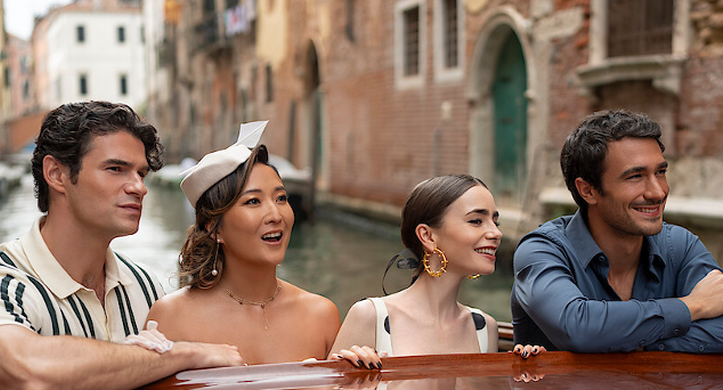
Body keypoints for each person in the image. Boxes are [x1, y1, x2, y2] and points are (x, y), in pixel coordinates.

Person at [0, 101, 244, 390]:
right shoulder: (3, 282)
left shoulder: (145, 286)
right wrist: (185, 352)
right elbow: (27, 369)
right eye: (116, 169)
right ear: (56, 174)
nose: (139, 187)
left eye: (141, 173)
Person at [512, 109, 723, 352]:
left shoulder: (681, 245)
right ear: (588, 190)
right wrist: (693, 306)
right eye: (635, 176)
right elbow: (577, 327)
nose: (657, 192)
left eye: (660, 172)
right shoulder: (541, 251)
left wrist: (629, 341)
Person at [147, 121, 342, 364]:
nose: (276, 215)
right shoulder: (171, 317)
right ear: (212, 227)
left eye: (281, 198)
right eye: (253, 201)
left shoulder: (322, 315)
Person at [330, 174, 544, 367]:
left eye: (495, 222)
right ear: (428, 236)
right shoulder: (370, 316)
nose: (496, 233)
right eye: (476, 221)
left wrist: (530, 369)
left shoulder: (484, 327)